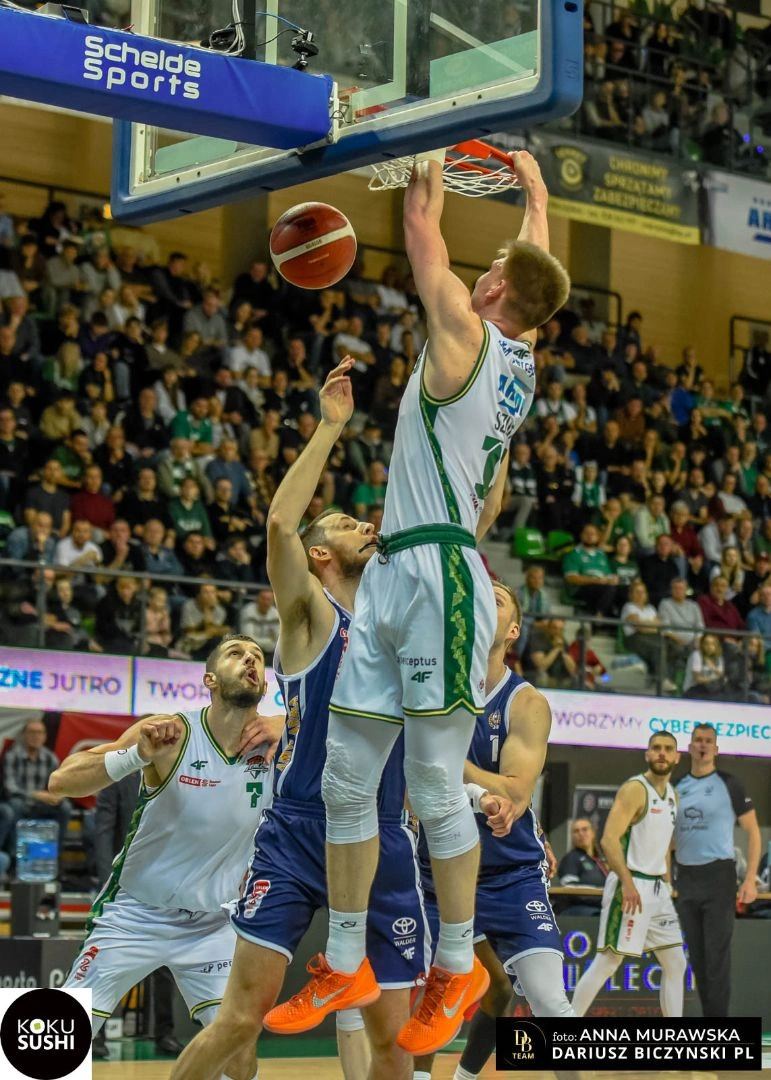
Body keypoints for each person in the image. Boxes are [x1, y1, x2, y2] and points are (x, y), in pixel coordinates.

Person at [264, 150, 570, 1053]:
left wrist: (425, 145)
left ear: (497, 289)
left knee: (435, 784)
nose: (483, 270)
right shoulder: (518, 351)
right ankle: (344, 958)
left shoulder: (464, 337)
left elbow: (420, 230)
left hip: (441, 570)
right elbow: (535, 268)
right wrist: (533, 193)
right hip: (397, 570)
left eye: (495, 267)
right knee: (347, 776)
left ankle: (455, 965)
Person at [171, 361, 441, 1080]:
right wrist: (329, 426)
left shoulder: (392, 624)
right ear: (321, 554)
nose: (366, 526)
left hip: (381, 831)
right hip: (299, 828)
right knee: (239, 1017)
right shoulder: (312, 615)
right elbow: (279, 524)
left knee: (395, 1040)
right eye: (349, 524)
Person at [49, 633, 272, 1080]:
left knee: (240, 1059)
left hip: (214, 922)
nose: (250, 659)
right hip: (136, 913)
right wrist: (136, 756)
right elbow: (61, 782)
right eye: (236, 653)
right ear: (209, 679)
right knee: (56, 1037)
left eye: (258, 657)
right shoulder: (173, 733)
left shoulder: (278, 744)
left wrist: (288, 723)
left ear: (265, 685)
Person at [414, 581, 574, 1080]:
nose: (485, 599)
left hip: (510, 873)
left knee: (550, 1002)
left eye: (498, 598)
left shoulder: (525, 703)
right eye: (479, 594)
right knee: (437, 996)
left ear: (512, 631)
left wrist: (442, 761)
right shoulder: (430, 684)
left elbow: (515, 792)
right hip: (439, 872)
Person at [571, 732, 687, 1017]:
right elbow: (609, 840)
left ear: (677, 757)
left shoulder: (673, 795)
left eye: (668, 749)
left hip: (658, 888)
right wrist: (627, 883)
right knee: (608, 962)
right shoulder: (635, 789)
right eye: (656, 748)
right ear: (647, 754)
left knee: (676, 962)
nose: (662, 753)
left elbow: (665, 846)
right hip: (631, 884)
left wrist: (668, 884)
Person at [91, 773, 184, 1059]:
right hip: (123, 886)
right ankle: (96, 1036)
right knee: (107, 961)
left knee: (165, 965)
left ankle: (165, 1033)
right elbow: (103, 831)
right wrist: (108, 880)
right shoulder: (119, 777)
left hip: (166, 882)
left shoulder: (177, 774)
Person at [673, 722, 760, 1017]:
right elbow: (668, 837)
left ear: (716, 749)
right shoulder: (677, 786)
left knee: (716, 958)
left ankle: (718, 1027)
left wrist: (750, 879)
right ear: (689, 747)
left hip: (718, 876)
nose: (703, 745)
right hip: (686, 877)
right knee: (697, 959)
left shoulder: (730, 784)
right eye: (698, 740)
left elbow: (753, 832)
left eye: (708, 741)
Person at [0, 719, 72, 872]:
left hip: (41, 805)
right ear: (24, 735)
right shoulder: (13, 755)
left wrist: (56, 796)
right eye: (32, 732)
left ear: (45, 736)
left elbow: (58, 785)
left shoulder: (50, 758)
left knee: (64, 807)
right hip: (20, 802)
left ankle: (54, 858)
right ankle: (15, 859)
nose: (36, 736)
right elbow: (10, 788)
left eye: (39, 733)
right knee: (14, 806)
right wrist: (35, 795)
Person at [558, 818, 608, 915]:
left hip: (602, 907)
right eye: (576, 831)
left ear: (593, 833)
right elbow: (569, 889)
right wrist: (602, 897)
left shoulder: (600, 861)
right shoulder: (571, 858)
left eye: (584, 829)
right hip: (580, 910)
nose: (581, 834)